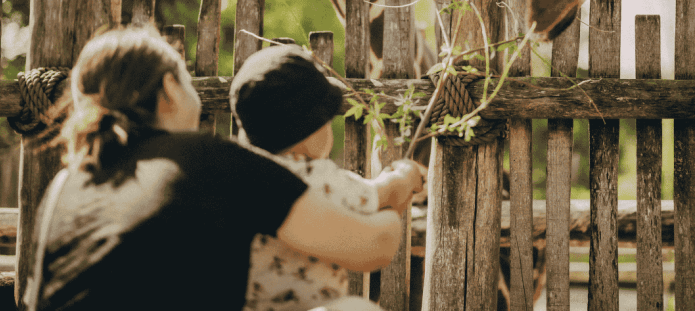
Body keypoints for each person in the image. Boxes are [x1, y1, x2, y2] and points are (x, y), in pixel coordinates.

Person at [24, 27, 419, 311]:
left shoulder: (67, 184)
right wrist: (395, 196)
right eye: (185, 75)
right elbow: (371, 246)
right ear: (169, 90)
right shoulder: (207, 161)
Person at [230, 44, 423, 311]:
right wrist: (406, 175)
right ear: (311, 131)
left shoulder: (237, 176)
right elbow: (381, 194)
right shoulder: (316, 178)